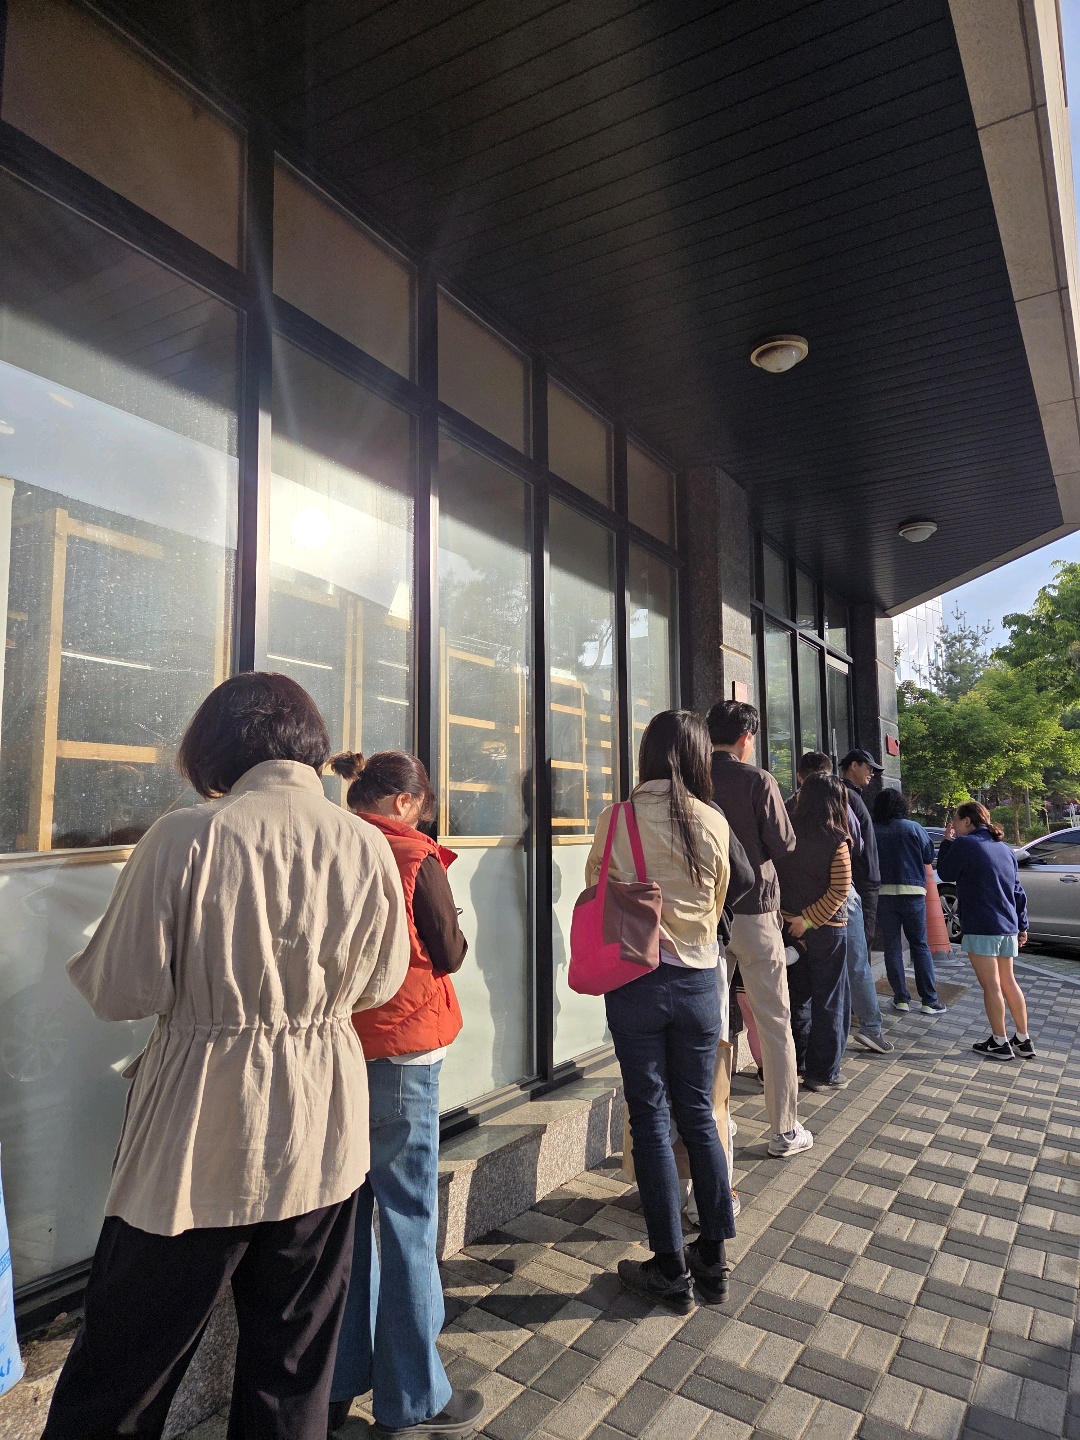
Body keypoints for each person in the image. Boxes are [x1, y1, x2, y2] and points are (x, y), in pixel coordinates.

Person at [42, 674, 410, 1440]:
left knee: (122, 1376)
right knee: (291, 1374)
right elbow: (380, 984)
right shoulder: (365, 843)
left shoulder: (186, 836)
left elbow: (121, 988)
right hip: (323, 1126)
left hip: (200, 1128)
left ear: (215, 747)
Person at [327, 751, 482, 1439]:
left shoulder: (327, 843)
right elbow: (447, 952)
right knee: (408, 1220)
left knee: (348, 1222)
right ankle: (414, 1398)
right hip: (404, 1052)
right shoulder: (413, 854)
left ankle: (335, 1388)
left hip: (338, 1049)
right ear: (403, 802)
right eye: (422, 807)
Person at [587, 710, 736, 1312]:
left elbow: (595, 888)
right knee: (699, 1113)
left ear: (647, 753)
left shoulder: (618, 817)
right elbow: (720, 898)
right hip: (699, 982)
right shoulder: (713, 820)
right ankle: (714, 1259)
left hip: (637, 982)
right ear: (699, 756)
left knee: (649, 1116)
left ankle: (669, 1267)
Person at [707, 700, 813, 1158]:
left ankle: (717, 1120)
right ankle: (784, 1130)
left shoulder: (692, 778)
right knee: (773, 1020)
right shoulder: (758, 780)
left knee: (712, 1022)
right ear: (746, 737)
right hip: (755, 910)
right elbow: (783, 843)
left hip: (708, 915)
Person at [788, 753, 893, 1056]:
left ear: (799, 777)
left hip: (798, 903)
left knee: (806, 976)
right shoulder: (843, 801)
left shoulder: (789, 804)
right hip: (839, 900)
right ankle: (868, 1029)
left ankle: (807, 1047)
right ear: (830, 774)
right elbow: (856, 847)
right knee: (852, 965)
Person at [937, 802, 1034, 1061]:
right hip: (1008, 925)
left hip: (981, 924)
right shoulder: (1004, 849)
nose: (953, 825)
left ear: (967, 821)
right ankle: (1023, 1039)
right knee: (1008, 981)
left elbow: (945, 871)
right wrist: (1022, 925)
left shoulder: (965, 844)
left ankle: (999, 1042)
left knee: (991, 985)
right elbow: (1017, 891)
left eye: (956, 820)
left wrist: (947, 842)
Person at [776, 775, 853, 1090]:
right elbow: (840, 889)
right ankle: (823, 1073)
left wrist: (794, 920)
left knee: (797, 999)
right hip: (826, 931)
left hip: (787, 926)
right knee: (829, 1001)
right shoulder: (836, 840)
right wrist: (808, 920)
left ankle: (795, 1062)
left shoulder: (785, 833)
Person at [872, 788, 944, 1015]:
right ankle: (929, 1001)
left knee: (892, 947)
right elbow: (928, 857)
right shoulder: (914, 828)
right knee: (920, 945)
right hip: (913, 893)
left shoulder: (873, 830)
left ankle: (901, 998)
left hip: (884, 894)